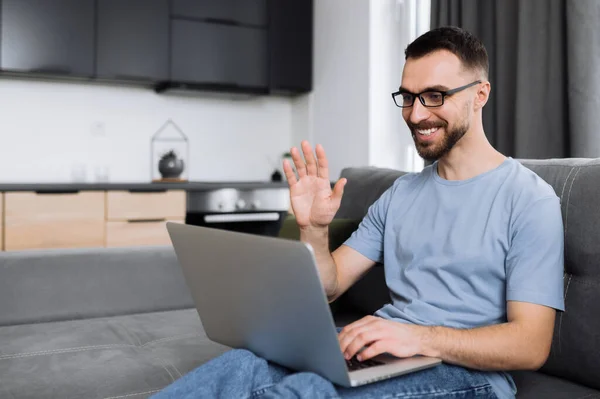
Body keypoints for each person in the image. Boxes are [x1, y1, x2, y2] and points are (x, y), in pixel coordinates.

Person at [151, 26, 564, 399]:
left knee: (305, 392)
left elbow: (530, 344)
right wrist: (314, 229)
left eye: (435, 96)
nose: (416, 114)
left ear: (480, 94)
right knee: (243, 365)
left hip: (465, 375)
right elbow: (330, 287)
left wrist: (419, 338)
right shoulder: (401, 193)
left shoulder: (530, 200)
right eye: (408, 97)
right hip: (385, 348)